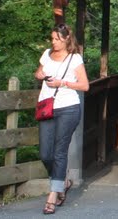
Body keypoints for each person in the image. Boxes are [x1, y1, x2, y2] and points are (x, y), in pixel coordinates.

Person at [34, 23, 89, 215]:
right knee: (45, 154)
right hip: (47, 107)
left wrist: (62, 83)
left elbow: (84, 85)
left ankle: (53, 194)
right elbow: (38, 72)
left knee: (59, 153)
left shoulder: (75, 58)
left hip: (68, 108)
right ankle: (62, 182)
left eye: (57, 39)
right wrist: (39, 74)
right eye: (52, 39)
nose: (54, 42)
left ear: (66, 39)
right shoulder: (47, 54)